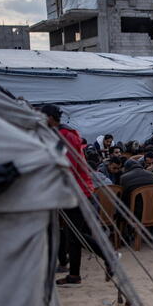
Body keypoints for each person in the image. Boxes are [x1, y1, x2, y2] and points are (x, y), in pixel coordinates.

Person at [40, 105, 106, 286]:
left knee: (76, 235)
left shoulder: (64, 136)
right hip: (76, 190)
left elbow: (67, 167)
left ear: (50, 118)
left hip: (77, 191)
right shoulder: (66, 133)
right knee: (72, 234)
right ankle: (74, 275)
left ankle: (109, 255)